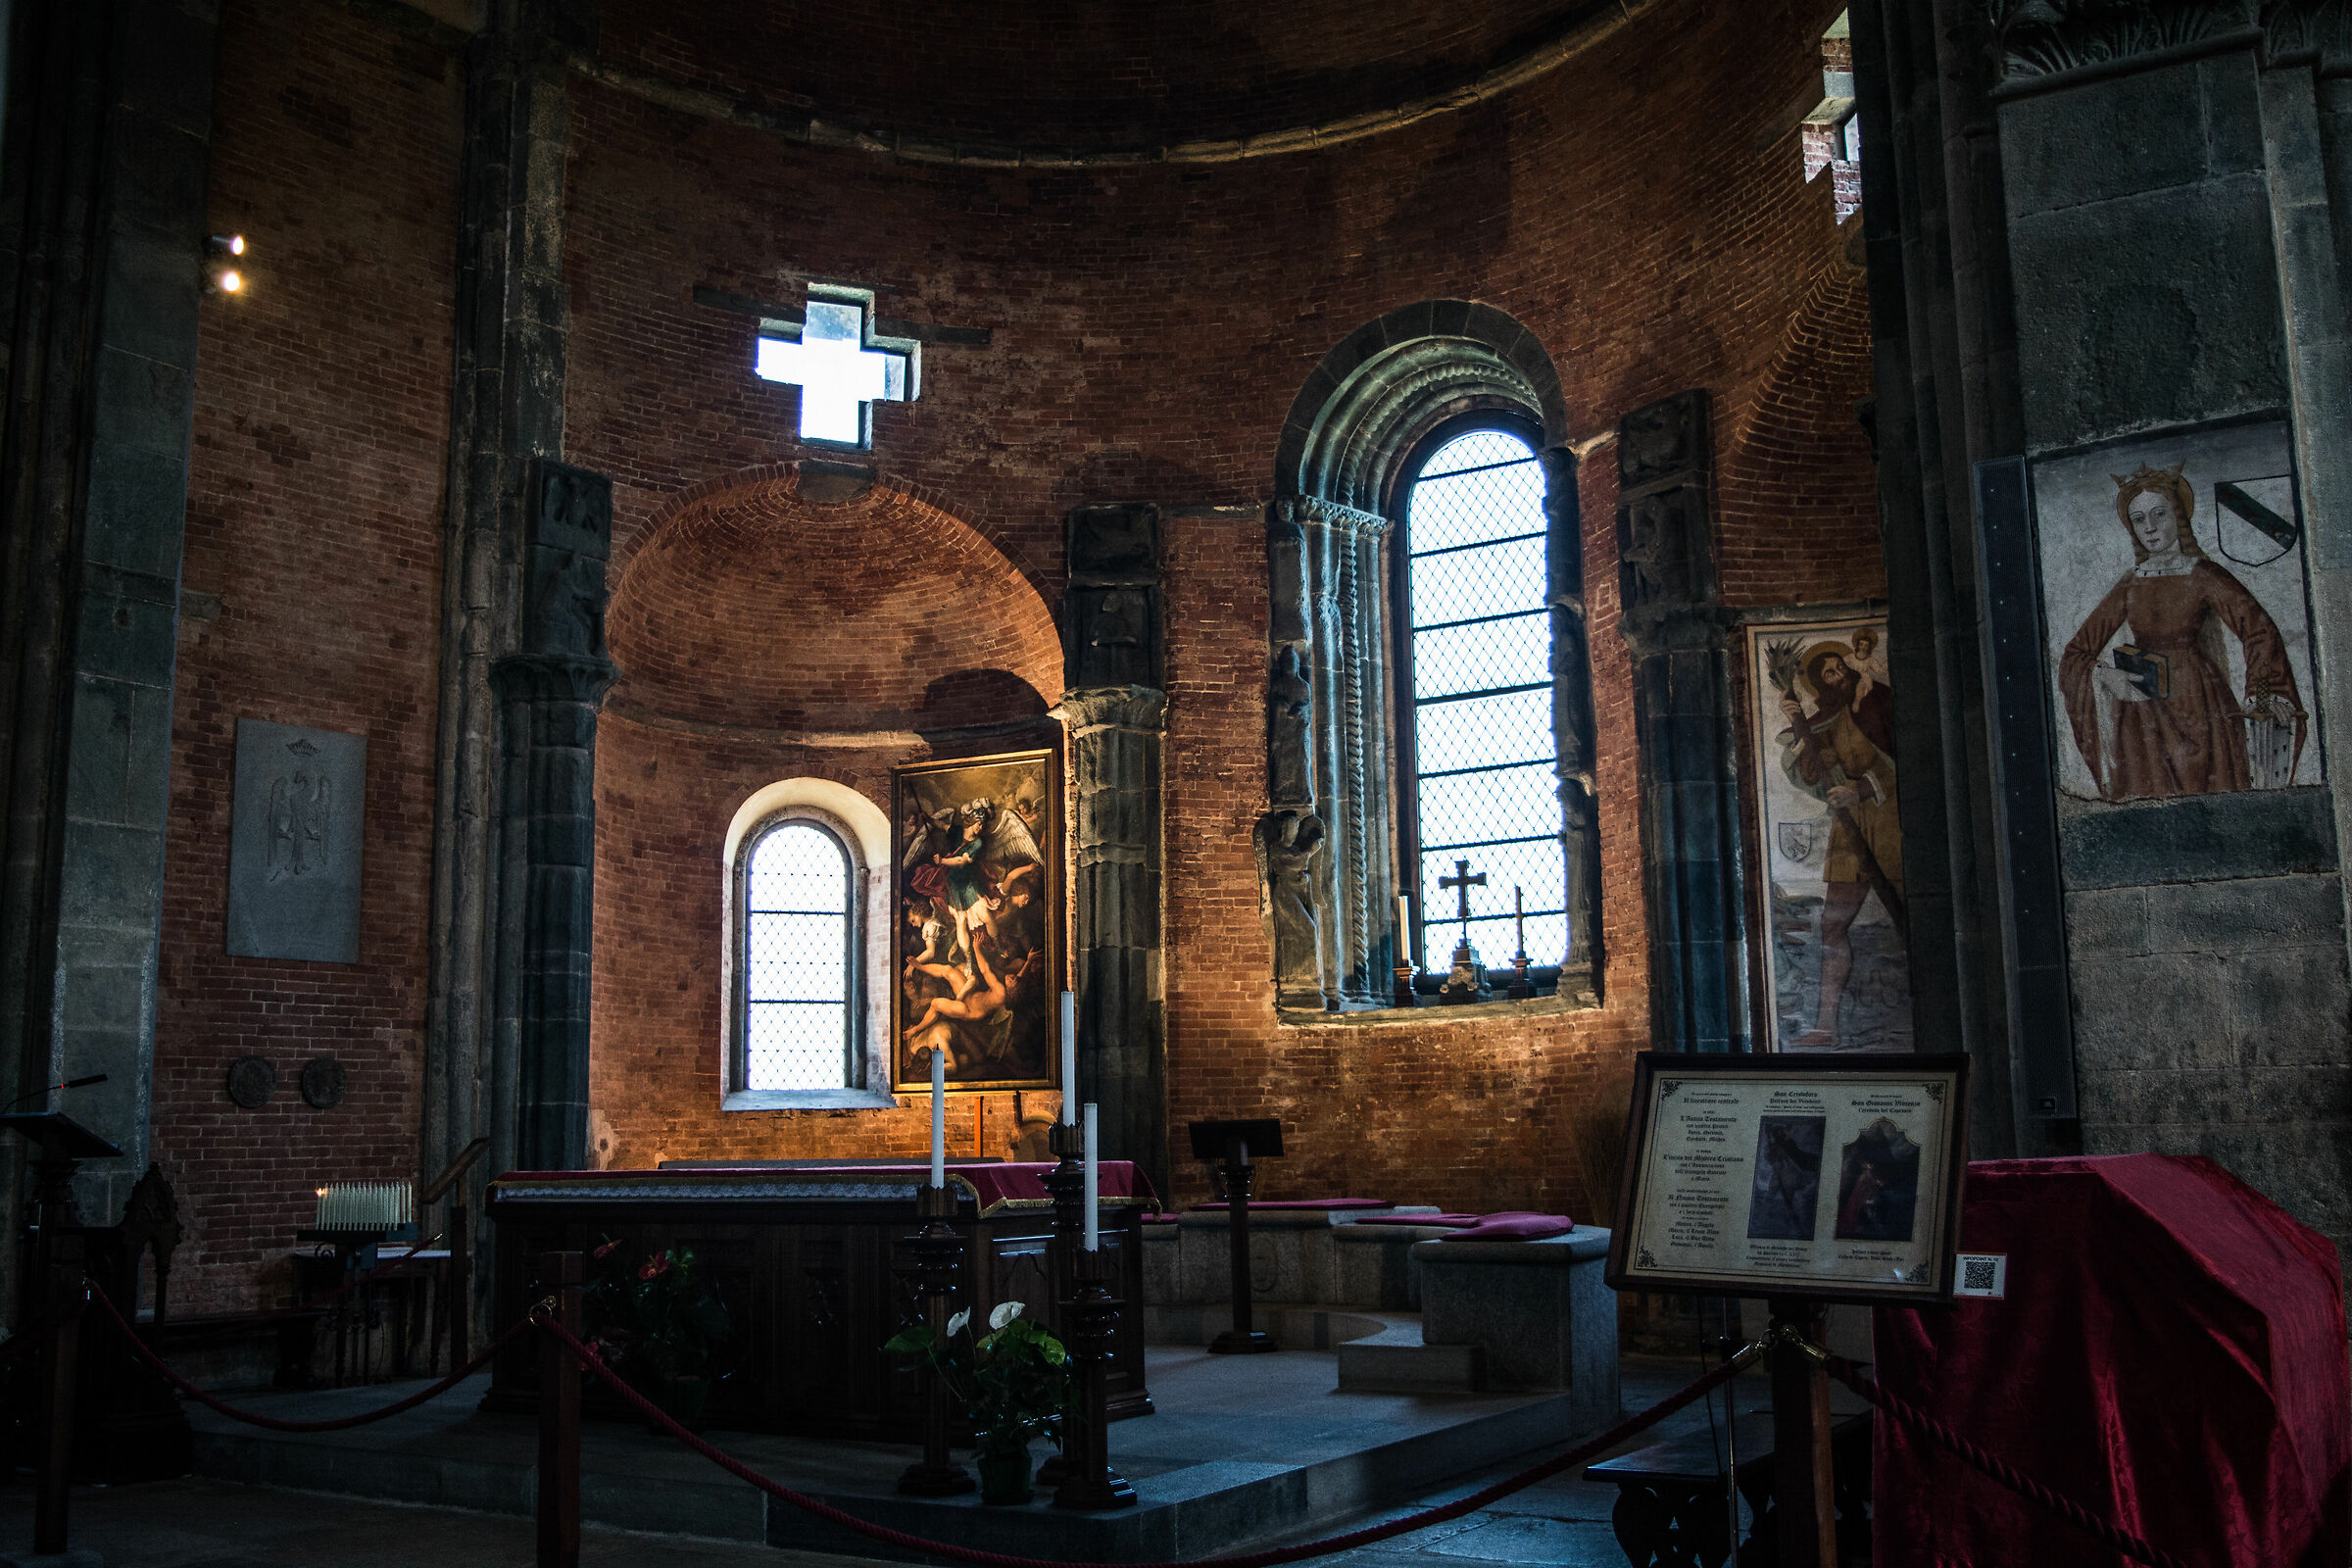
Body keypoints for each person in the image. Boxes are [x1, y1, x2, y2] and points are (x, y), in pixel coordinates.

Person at [2058, 464, 2304, 801]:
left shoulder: (2203, 575)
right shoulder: (2131, 583)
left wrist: (2264, 695)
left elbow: (2258, 630)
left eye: (2159, 514)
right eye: (2140, 519)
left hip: (2200, 703)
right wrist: (2105, 675)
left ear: (2178, 515)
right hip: (2142, 714)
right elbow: (2076, 653)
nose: (2151, 527)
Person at [1778, 643, 1902, 1049]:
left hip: (1892, 821)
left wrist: (1863, 789)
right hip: (1849, 830)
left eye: (1840, 668)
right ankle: (1825, 1027)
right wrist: (1799, 727)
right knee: (1833, 924)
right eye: (1829, 674)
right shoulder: (1827, 721)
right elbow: (1813, 777)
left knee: (1913, 916)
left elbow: (1910, 762)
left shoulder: (1878, 702)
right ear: (1819, 686)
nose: (1839, 677)